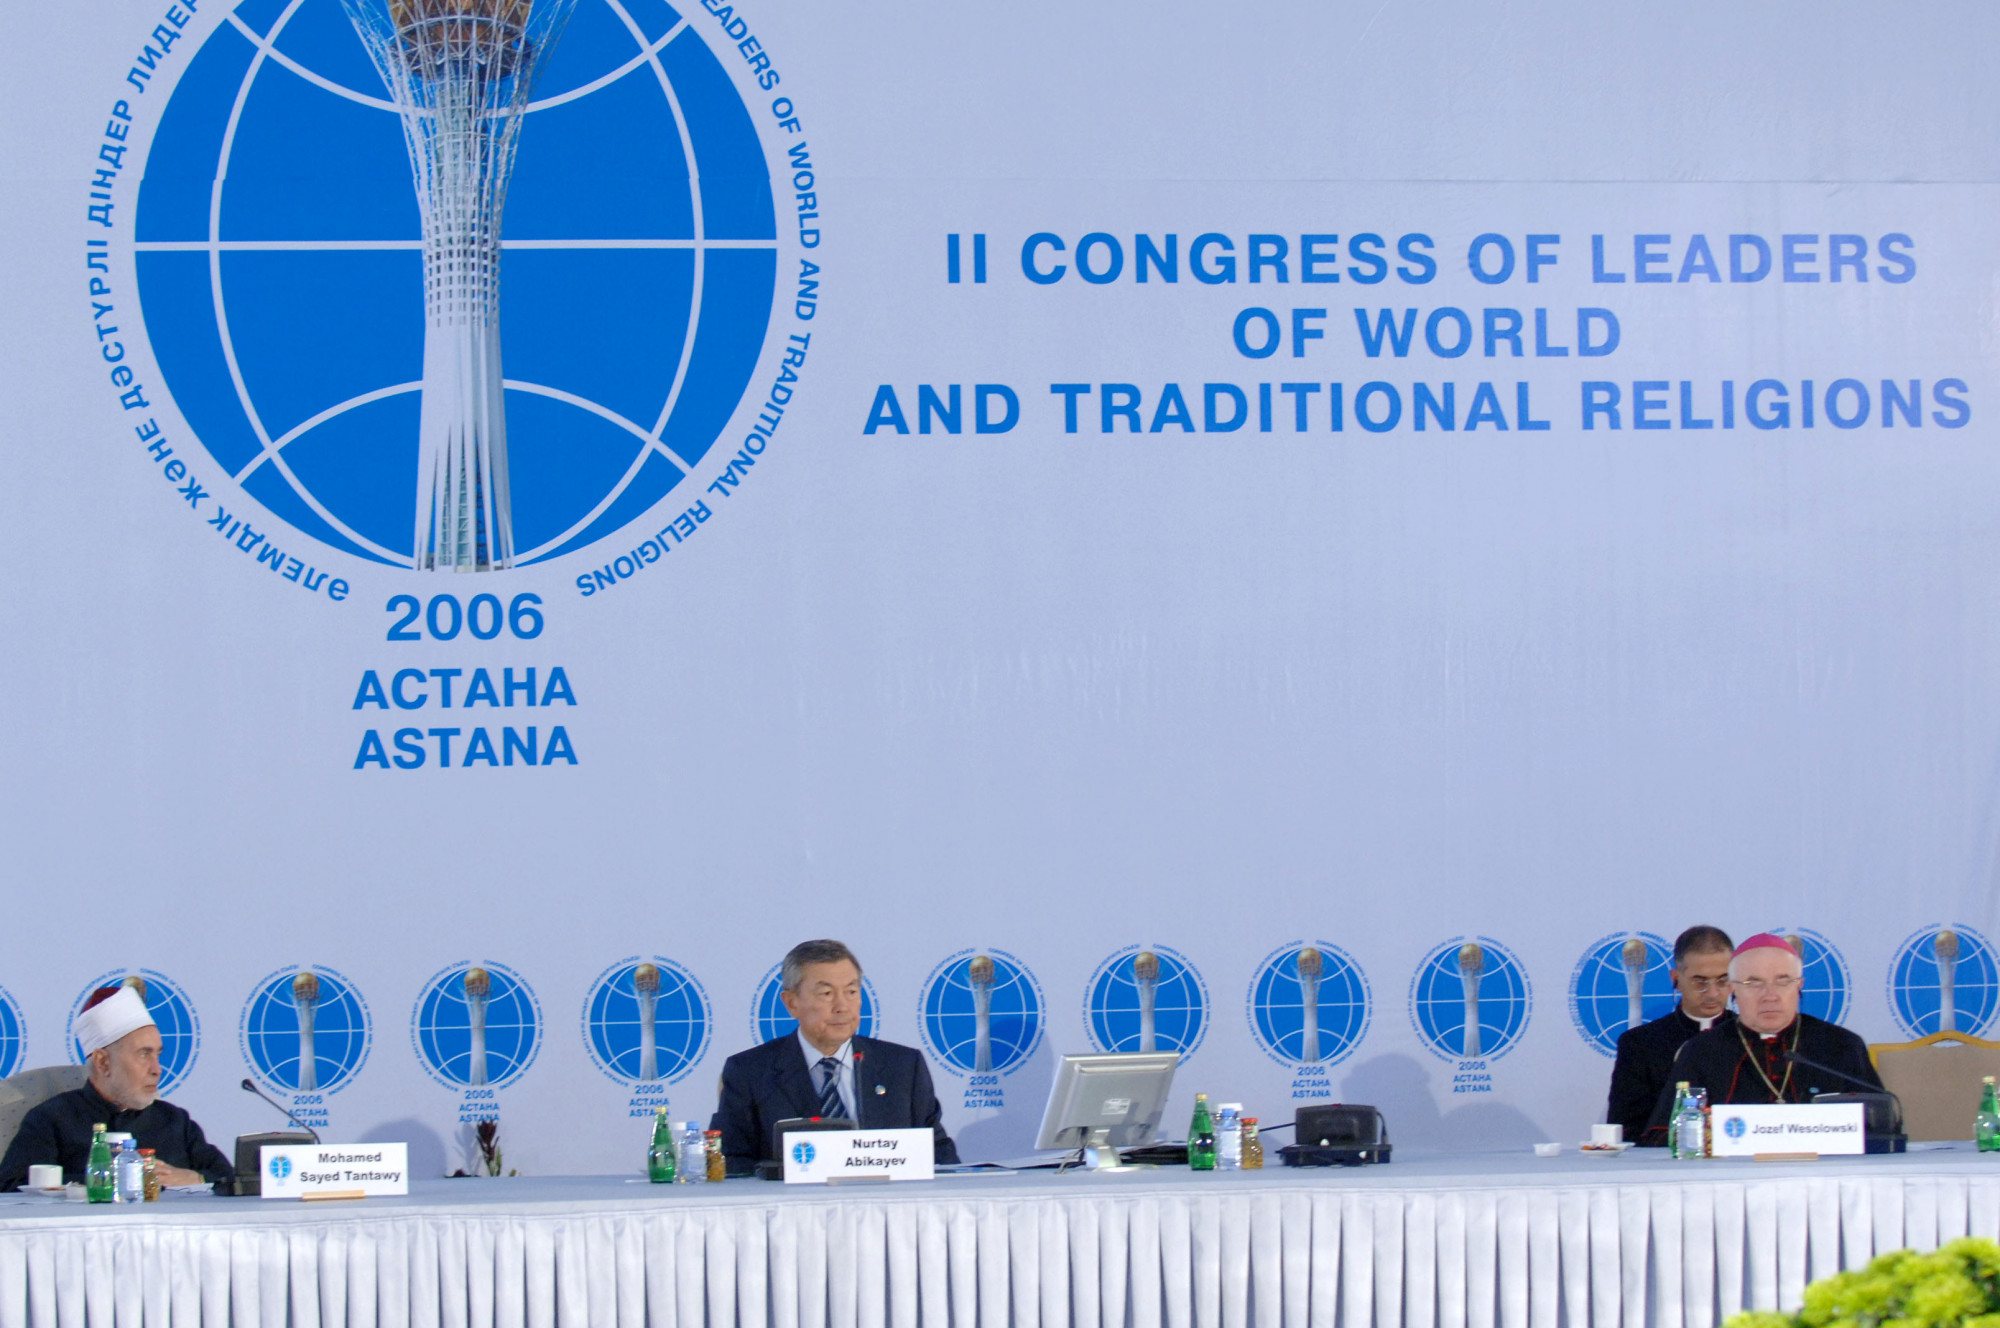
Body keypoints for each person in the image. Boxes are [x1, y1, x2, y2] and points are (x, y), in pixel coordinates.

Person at [711, 939, 958, 1172]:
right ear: (791, 1003)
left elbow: (937, 1154)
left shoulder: (903, 1066)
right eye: (826, 994)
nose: (842, 1006)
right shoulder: (750, 1072)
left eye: (851, 991)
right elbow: (731, 1163)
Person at [1643, 932, 1882, 1141]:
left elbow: (1880, 1124)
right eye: (1754, 983)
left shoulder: (1841, 1045)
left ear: (1799, 985)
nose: (1770, 996)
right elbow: (1664, 1134)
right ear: (1733, 988)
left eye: (1782, 981)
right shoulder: (1702, 1051)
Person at [0, 985, 233, 1191]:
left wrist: (196, 1178)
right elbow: (11, 1186)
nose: (157, 1069)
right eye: (144, 1054)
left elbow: (231, 1178)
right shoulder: (52, 1120)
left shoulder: (175, 1121)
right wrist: (108, 1180)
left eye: (158, 1055)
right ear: (103, 1062)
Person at [1605, 925, 1735, 1141]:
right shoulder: (1639, 1044)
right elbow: (1625, 1130)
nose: (1713, 993)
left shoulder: (1749, 1037)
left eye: (1722, 980)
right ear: (1675, 979)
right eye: (1700, 982)